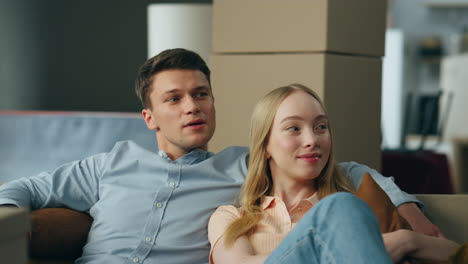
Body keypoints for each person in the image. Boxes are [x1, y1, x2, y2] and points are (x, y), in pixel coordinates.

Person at [0, 49, 440, 264]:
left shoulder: (240, 166)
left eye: (201, 94)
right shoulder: (109, 163)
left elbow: (341, 167)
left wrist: (404, 206)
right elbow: (26, 188)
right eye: (174, 99)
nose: (192, 106)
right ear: (149, 117)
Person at [208, 84, 463, 264]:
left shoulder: (355, 210)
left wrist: (407, 240)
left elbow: (454, 253)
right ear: (264, 147)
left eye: (321, 127)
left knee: (343, 205)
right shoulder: (230, 217)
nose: (312, 140)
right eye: (294, 128)